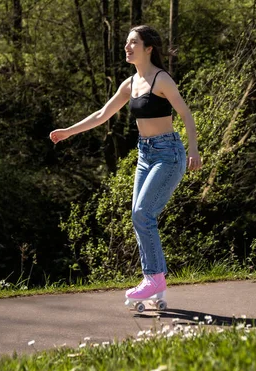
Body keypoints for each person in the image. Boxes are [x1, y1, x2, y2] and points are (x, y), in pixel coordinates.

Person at [49, 25, 202, 303]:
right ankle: (157, 284)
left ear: (148, 48)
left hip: (169, 153)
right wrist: (69, 131)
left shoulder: (161, 79)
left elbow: (186, 114)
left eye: (133, 42)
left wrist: (194, 149)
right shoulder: (130, 84)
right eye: (126, 43)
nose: (127, 47)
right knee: (139, 215)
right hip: (145, 155)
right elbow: (101, 114)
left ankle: (153, 278)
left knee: (143, 213)